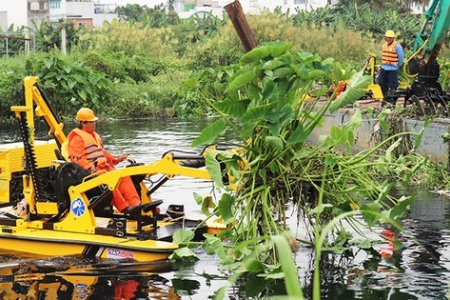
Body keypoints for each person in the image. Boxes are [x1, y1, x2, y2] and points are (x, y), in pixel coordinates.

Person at [67, 107, 141, 216]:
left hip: (104, 167)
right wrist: (89, 166)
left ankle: (136, 205)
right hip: (92, 172)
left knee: (123, 176)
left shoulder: (95, 136)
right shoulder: (77, 139)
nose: (94, 124)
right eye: (91, 122)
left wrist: (116, 158)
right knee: (110, 182)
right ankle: (125, 208)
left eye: (94, 122)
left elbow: (103, 153)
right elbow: (77, 158)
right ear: (83, 123)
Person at [378, 30, 404, 104]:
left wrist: (398, 65)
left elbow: (401, 57)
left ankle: (392, 101)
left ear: (393, 38)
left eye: (390, 38)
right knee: (382, 82)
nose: (388, 39)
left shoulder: (397, 46)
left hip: (392, 69)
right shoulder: (384, 45)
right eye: (387, 37)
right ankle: (386, 98)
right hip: (384, 68)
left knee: (393, 85)